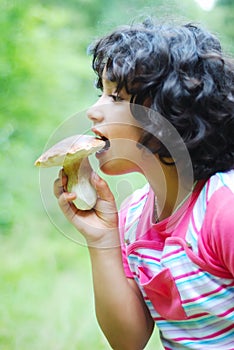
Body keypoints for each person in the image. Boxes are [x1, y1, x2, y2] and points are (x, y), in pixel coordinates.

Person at [54, 19, 234, 349]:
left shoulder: (223, 208)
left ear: (173, 110)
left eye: (117, 97)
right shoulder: (135, 216)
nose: (94, 111)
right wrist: (103, 238)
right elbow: (129, 340)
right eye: (101, 94)